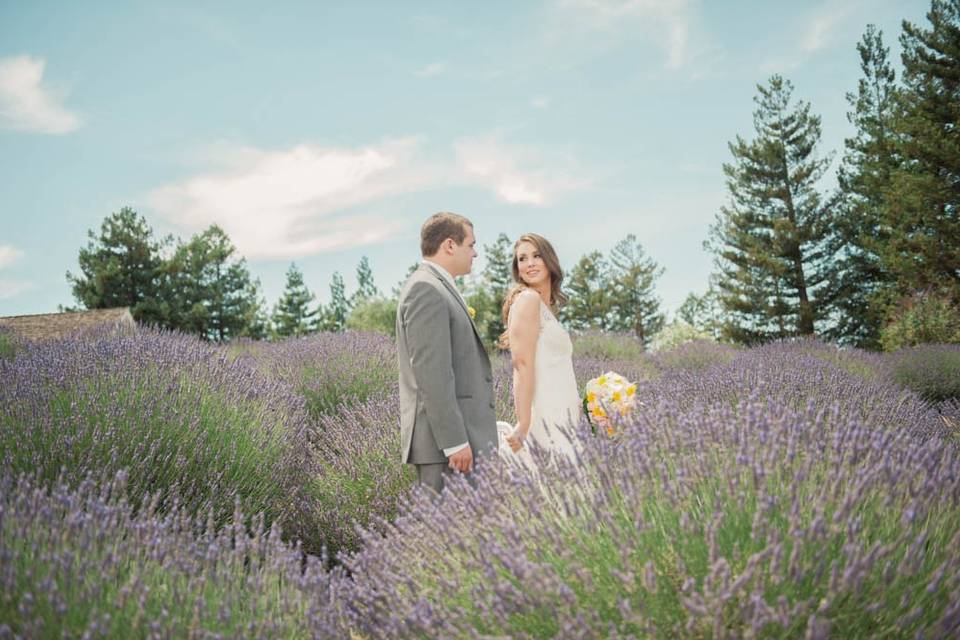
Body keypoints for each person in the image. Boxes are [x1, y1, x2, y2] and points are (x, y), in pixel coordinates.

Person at [396, 212, 498, 494]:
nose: (475, 253)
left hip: (459, 441)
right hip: (446, 448)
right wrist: (454, 441)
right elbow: (432, 373)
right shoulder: (425, 289)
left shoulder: (437, 286)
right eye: (471, 245)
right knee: (441, 536)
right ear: (450, 245)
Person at [499, 233, 582, 464]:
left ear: (549, 260)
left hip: (565, 413)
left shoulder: (546, 309)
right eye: (522, 259)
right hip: (545, 412)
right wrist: (524, 423)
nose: (530, 263)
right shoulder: (527, 300)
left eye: (536, 256)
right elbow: (521, 363)